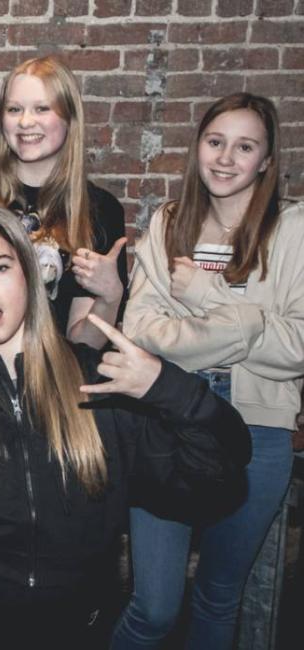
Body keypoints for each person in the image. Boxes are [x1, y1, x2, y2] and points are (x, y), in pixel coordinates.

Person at [0, 202, 251, 649]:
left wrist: (166, 387)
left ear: (28, 273)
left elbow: (217, 480)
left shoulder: (98, 385)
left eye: (0, 267)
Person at [113, 93, 303, 649]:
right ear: (198, 146)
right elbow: (143, 330)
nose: (225, 158)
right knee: (153, 606)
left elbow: (296, 347)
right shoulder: (170, 223)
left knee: (219, 599)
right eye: (215, 142)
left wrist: (203, 294)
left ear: (266, 160)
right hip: (169, 423)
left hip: (259, 431)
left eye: (245, 147)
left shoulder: (292, 228)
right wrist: (247, 326)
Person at [0, 56, 127, 348]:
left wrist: (111, 295)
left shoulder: (99, 210)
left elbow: (84, 346)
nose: (26, 122)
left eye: (42, 108)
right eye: (14, 109)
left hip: (53, 380)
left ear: (69, 118)